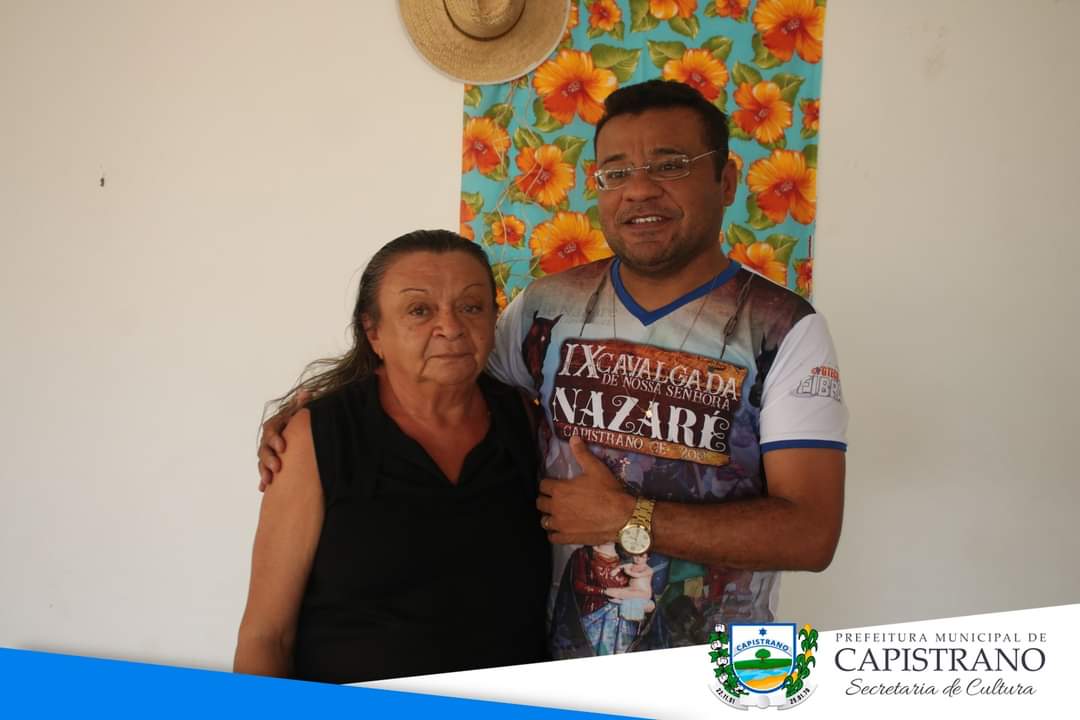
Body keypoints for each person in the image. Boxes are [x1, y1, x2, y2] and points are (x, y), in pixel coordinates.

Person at [258, 80, 847, 659]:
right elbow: (438, 366)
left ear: (727, 181)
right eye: (616, 172)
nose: (639, 190)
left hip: (711, 668)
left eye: (670, 166)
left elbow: (812, 534)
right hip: (552, 660)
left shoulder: (784, 328)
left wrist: (629, 518)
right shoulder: (547, 305)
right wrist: (313, 415)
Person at [235, 230, 550, 683]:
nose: (451, 327)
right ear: (374, 332)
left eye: (471, 306)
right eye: (420, 310)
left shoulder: (522, 419)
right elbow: (267, 636)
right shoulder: (318, 436)